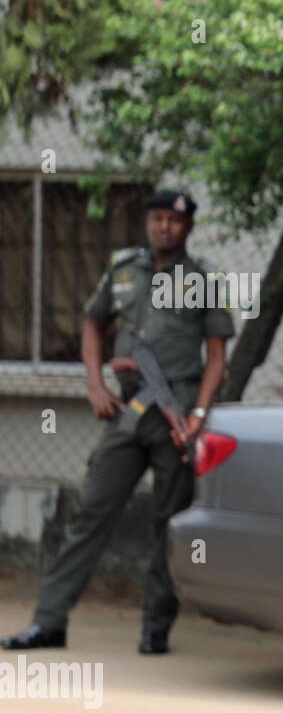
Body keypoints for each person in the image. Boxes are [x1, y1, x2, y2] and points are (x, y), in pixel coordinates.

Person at [2, 191, 234, 656]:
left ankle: (155, 628)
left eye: (173, 220)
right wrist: (94, 383)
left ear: (187, 228)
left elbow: (215, 358)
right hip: (130, 413)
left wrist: (198, 414)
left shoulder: (203, 280)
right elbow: (93, 324)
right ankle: (48, 621)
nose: (164, 227)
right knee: (91, 512)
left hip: (178, 416)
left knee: (169, 523)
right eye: (157, 218)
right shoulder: (124, 270)